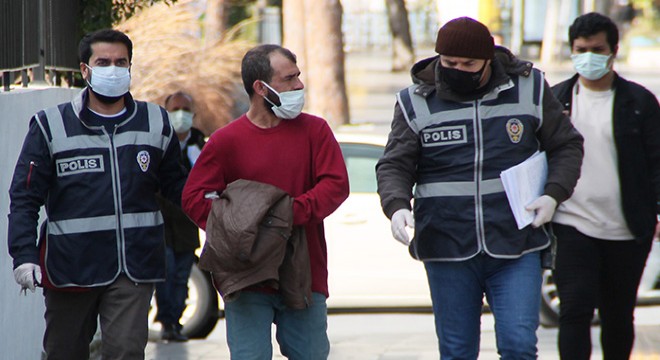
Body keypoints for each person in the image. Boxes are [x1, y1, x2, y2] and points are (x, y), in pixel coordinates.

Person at [376, 17, 584, 359]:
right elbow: (394, 163)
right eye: (449, 63)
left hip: (517, 243)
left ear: (489, 60)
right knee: (457, 351)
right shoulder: (415, 101)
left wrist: (553, 194)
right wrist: (397, 205)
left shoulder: (529, 88)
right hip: (446, 246)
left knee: (519, 345)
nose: (458, 69)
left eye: (468, 64)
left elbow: (567, 145)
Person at [7, 29, 187, 359]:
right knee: (64, 352)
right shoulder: (51, 125)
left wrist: (221, 214)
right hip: (70, 269)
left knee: (125, 351)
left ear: (131, 67)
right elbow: (25, 197)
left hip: (133, 267)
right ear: (84, 70)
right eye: (103, 62)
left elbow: (180, 188)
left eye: (121, 62)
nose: (113, 69)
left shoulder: (155, 122)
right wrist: (24, 254)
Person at [181, 44, 349, 359]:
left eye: (298, 77)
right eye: (289, 79)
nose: (299, 85)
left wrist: (283, 216)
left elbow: (336, 185)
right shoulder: (226, 141)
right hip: (246, 276)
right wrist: (239, 227)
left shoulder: (316, 131)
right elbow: (193, 198)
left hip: (304, 273)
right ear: (261, 87)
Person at [550, 12, 660, 359]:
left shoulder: (639, 103)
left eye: (597, 50)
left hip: (627, 228)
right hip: (571, 224)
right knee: (575, 309)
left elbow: (656, 162)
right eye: (581, 49)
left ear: (613, 51)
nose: (588, 57)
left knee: (617, 315)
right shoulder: (555, 102)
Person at [154, 91, 205, 342]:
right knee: (166, 274)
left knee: (181, 278)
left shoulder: (199, 145)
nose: (181, 114)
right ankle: (166, 322)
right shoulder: (158, 141)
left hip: (186, 225)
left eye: (185, 109)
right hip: (162, 224)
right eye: (175, 109)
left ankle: (175, 323)